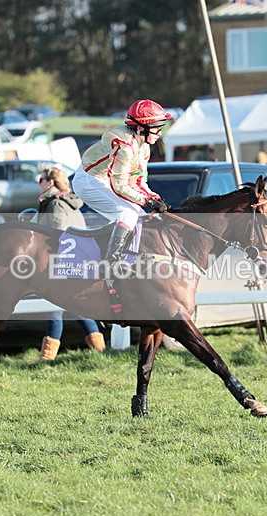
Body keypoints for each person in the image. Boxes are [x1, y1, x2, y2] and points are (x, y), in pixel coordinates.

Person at [72, 99, 173, 272]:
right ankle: (111, 263)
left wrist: (154, 198)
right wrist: (146, 201)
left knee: (141, 217)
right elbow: (120, 186)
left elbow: (138, 181)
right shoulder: (125, 147)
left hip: (106, 179)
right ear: (141, 128)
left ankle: (130, 259)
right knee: (127, 213)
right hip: (89, 180)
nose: (159, 133)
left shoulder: (144, 147)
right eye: (157, 128)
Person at [36, 167, 106, 360]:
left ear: (50, 182)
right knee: (77, 308)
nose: (38, 183)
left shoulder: (56, 204)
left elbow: (57, 234)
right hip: (77, 262)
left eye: (40, 180)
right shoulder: (69, 203)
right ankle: (100, 352)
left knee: (54, 309)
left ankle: (46, 358)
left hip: (63, 263)